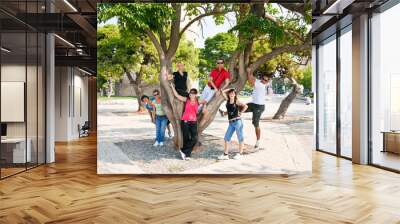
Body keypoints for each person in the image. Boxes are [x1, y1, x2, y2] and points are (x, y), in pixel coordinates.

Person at [170, 83, 200, 160]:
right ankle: (187, 155)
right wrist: (172, 87)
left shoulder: (198, 101)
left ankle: (183, 150)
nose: (192, 94)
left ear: (196, 94)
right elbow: (177, 95)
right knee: (186, 137)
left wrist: (205, 105)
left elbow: (205, 102)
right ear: (189, 94)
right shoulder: (186, 100)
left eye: (194, 93)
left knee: (195, 138)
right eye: (191, 93)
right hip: (185, 121)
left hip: (193, 121)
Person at [217, 88, 248, 160]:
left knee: (240, 138)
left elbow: (246, 106)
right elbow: (222, 91)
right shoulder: (227, 101)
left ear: (235, 94)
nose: (232, 94)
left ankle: (240, 154)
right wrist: (230, 89)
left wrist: (241, 112)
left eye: (233, 93)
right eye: (230, 93)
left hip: (237, 122)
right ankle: (225, 155)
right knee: (226, 138)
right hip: (231, 123)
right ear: (228, 94)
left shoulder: (236, 101)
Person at [244, 68, 271, 148]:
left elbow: (250, 82)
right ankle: (224, 113)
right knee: (241, 107)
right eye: (263, 79)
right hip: (254, 104)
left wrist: (249, 72)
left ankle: (258, 141)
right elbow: (253, 78)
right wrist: (250, 72)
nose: (264, 81)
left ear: (267, 81)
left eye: (266, 80)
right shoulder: (259, 81)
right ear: (261, 78)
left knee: (255, 123)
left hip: (259, 107)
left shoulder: (261, 85)